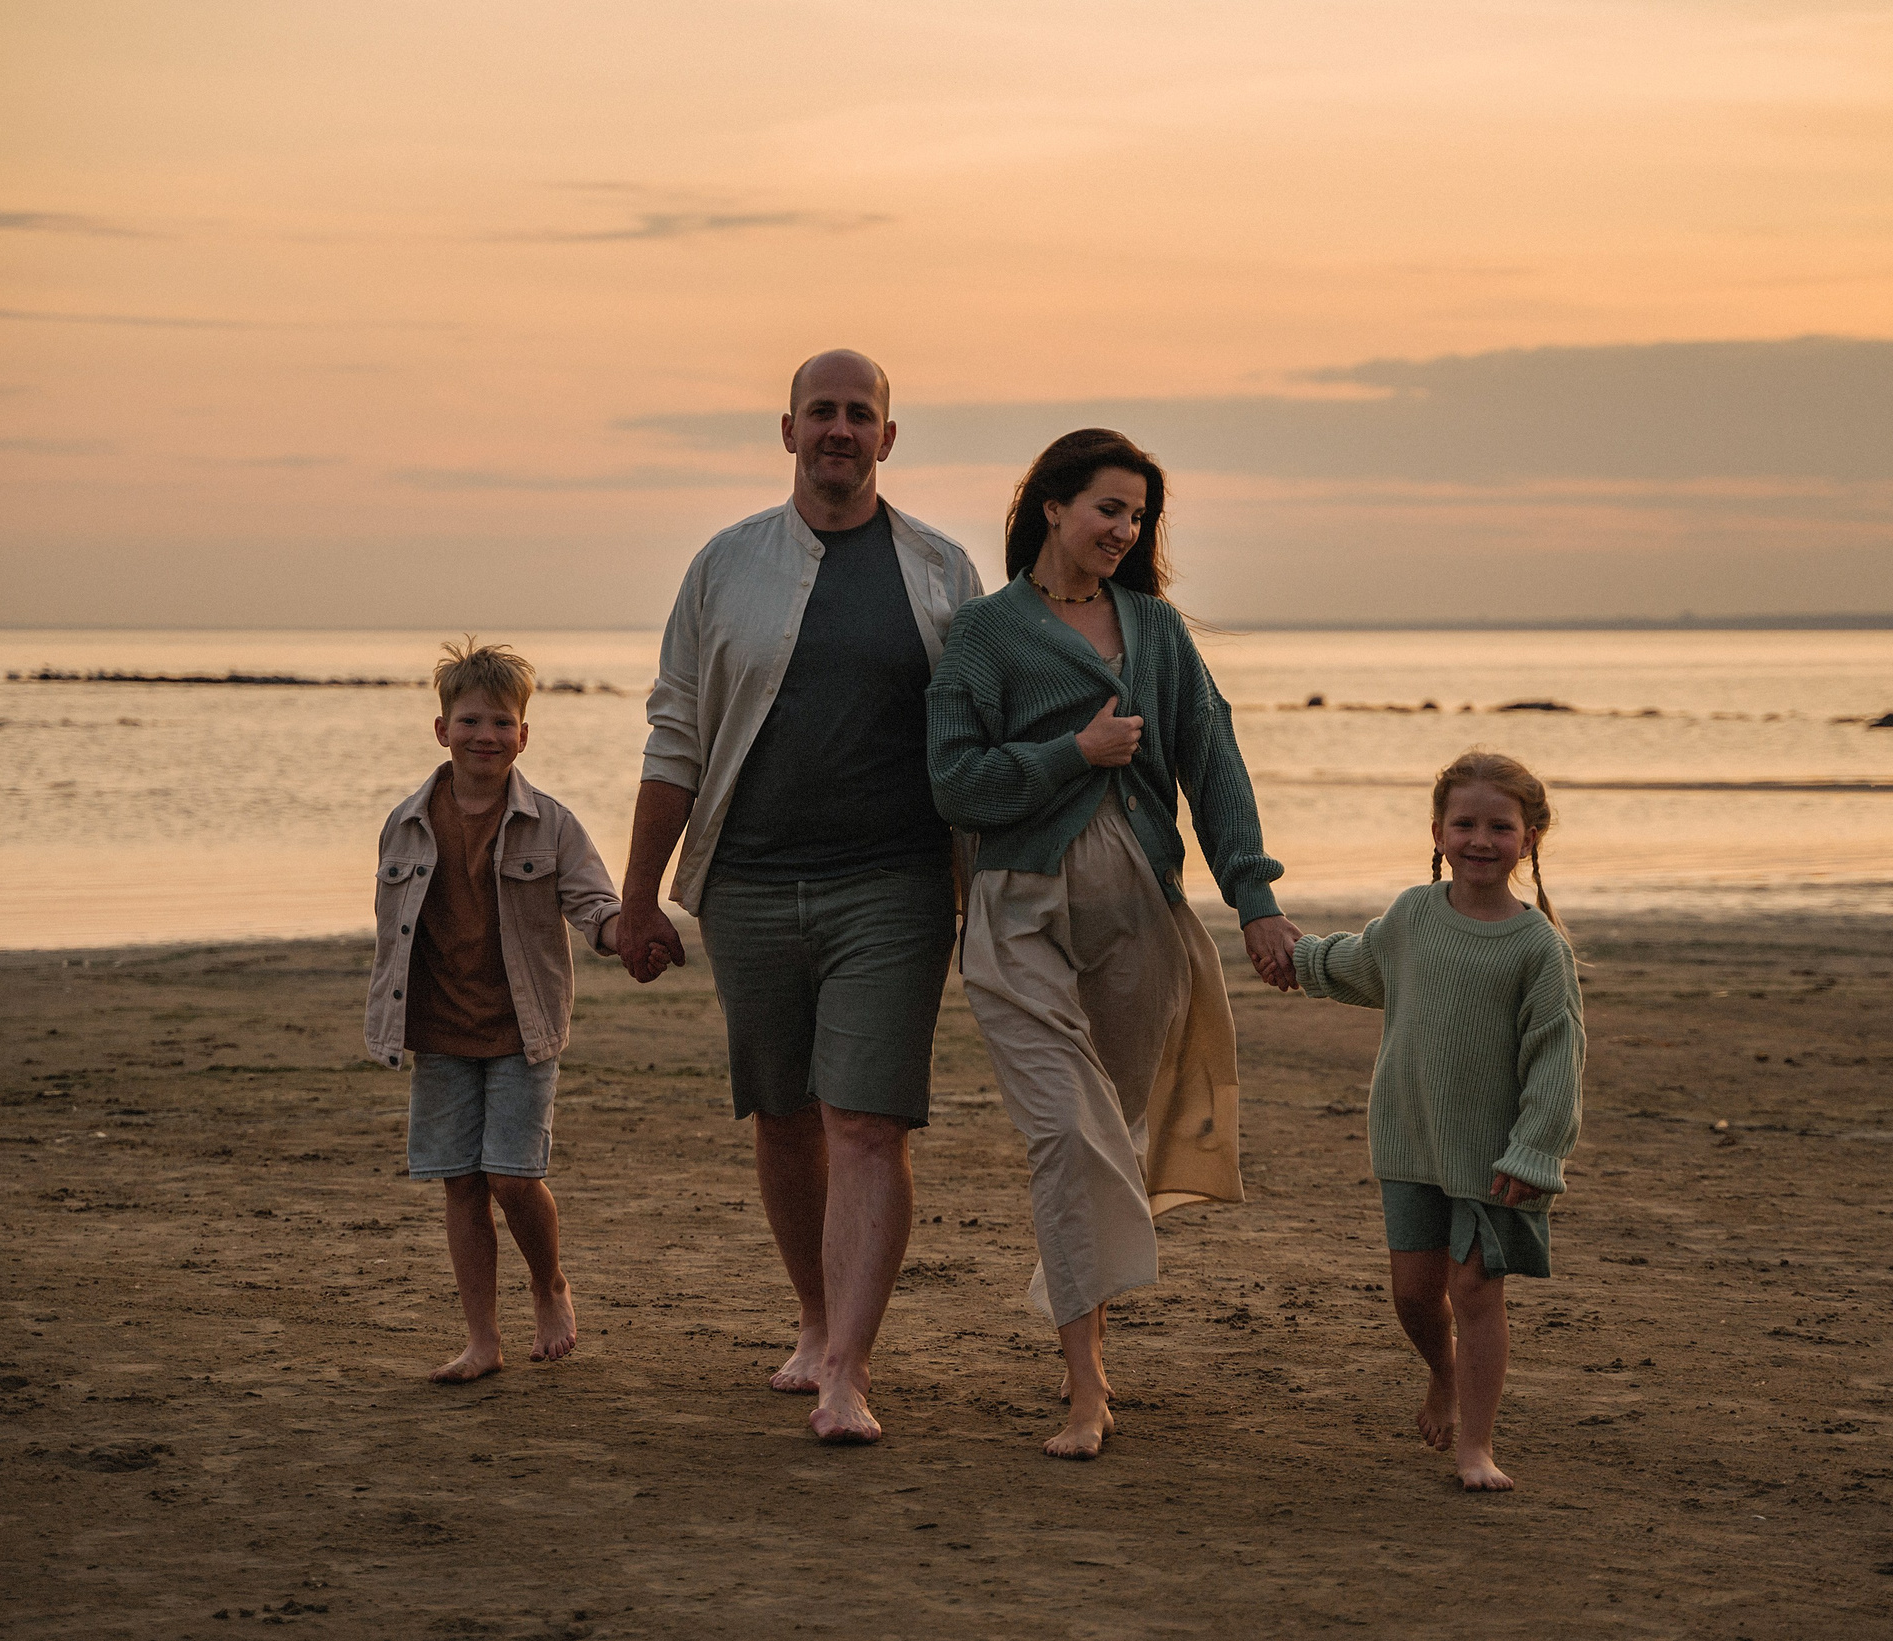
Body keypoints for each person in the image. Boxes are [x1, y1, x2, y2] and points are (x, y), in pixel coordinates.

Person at [615, 349, 984, 1444]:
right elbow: (677, 732)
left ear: (887, 437)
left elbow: (983, 731)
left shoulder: (941, 570)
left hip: (896, 885)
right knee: (783, 1116)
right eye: (819, 412)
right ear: (786, 432)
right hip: (751, 884)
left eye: (858, 413)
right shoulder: (724, 566)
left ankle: (848, 1375)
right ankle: (816, 1323)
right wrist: (640, 898)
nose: (838, 429)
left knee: (867, 1120)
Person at [926, 427, 1302, 1460]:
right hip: (1016, 911)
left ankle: (1080, 1348)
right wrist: (1072, 752)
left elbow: (1212, 763)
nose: (1122, 530)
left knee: (1109, 1138)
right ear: (1050, 505)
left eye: (1136, 516)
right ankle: (1085, 1389)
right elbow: (954, 786)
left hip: (1138, 909)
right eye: (1106, 508)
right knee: (1070, 1133)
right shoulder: (982, 636)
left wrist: (1254, 898)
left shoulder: (1155, 629)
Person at [1291, 748, 1585, 1490]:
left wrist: (1535, 1151)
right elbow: (1363, 965)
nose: (1480, 839)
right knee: (1414, 1295)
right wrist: (1293, 956)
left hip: (1496, 1155)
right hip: (1410, 1137)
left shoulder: (1538, 946)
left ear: (1530, 838)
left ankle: (1476, 1446)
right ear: (1437, 830)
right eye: (1465, 823)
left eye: (1500, 826)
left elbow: (1557, 1058)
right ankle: (1443, 1376)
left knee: (1476, 1293)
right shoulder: (1412, 915)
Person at [364, 638, 624, 1383]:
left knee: (512, 1176)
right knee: (461, 1182)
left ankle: (550, 1285)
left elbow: (593, 902)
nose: (488, 735)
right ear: (441, 728)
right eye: (472, 720)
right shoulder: (406, 822)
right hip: (441, 1031)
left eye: (503, 723)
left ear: (524, 734)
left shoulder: (553, 823)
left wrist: (623, 935)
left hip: (522, 1028)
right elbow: (396, 931)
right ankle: (482, 1338)